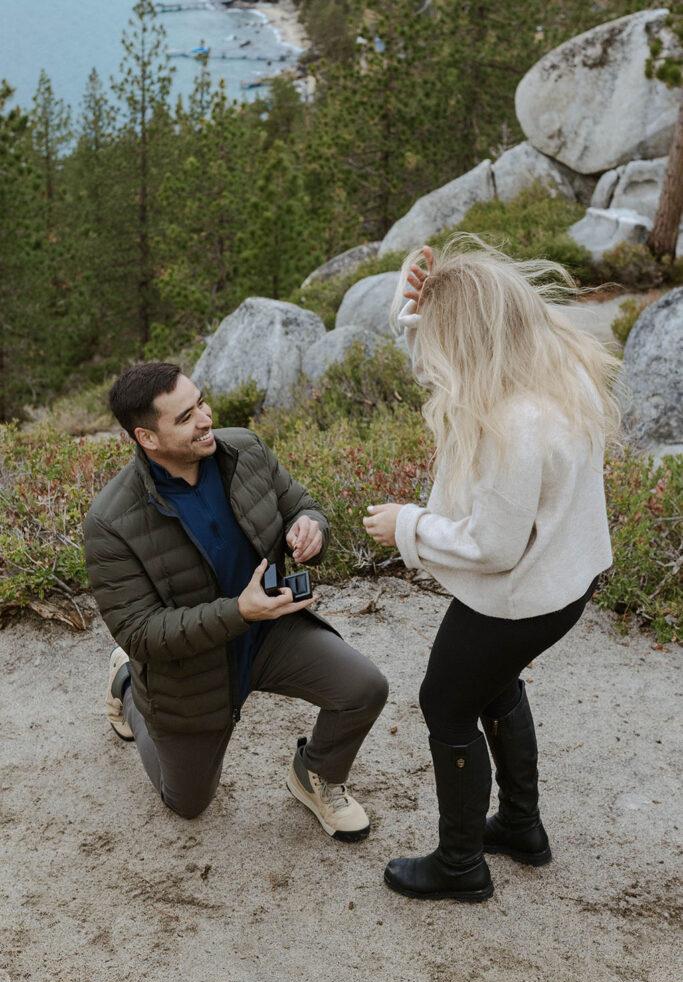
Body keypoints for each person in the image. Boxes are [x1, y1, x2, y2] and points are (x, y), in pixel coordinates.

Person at [363, 238, 620, 901]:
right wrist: (411, 293)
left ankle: (458, 867)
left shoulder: (514, 426)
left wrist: (407, 526)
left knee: (445, 704)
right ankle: (518, 827)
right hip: (564, 578)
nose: (425, 359)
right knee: (493, 685)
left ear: (462, 340)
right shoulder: (553, 368)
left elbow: (493, 547)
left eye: (433, 338)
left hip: (519, 591)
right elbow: (438, 340)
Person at [84, 362, 388, 840]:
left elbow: (301, 505)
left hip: (270, 633)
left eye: (200, 402)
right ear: (147, 437)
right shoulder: (109, 521)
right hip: (190, 670)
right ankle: (127, 686)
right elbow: (140, 632)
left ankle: (316, 775)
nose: (205, 418)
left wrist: (310, 529)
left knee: (364, 688)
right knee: (187, 804)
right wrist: (237, 612)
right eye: (184, 417)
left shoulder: (244, 449)